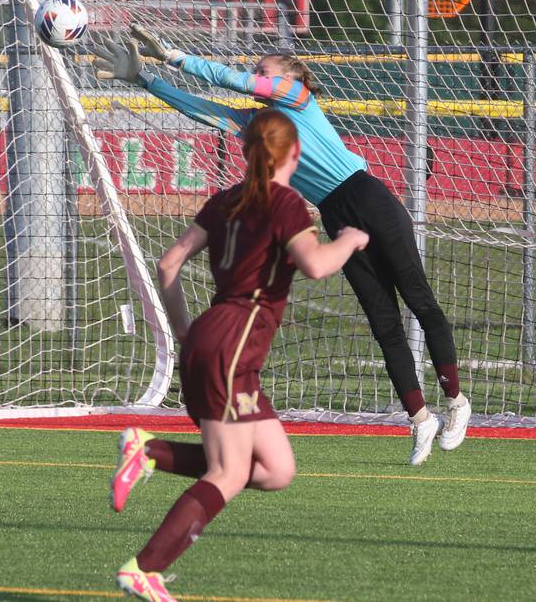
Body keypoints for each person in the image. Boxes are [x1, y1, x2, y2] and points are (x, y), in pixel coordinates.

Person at [92, 26, 472, 466]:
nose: (256, 75)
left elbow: (237, 82)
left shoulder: (297, 98)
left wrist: (176, 56)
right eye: (258, 71)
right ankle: (420, 418)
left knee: (419, 299)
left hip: (369, 197)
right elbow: (201, 109)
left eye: (264, 70)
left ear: (290, 77)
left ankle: (456, 403)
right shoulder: (259, 126)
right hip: (336, 213)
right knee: (382, 320)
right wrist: (145, 80)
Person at [108, 108, 369, 601]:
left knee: (274, 470)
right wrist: (349, 241)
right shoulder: (286, 202)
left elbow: (169, 262)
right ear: (295, 152)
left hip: (220, 339)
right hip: (232, 344)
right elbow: (315, 265)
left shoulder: (227, 199)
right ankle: (144, 569)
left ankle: (148, 451)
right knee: (227, 473)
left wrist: (185, 327)